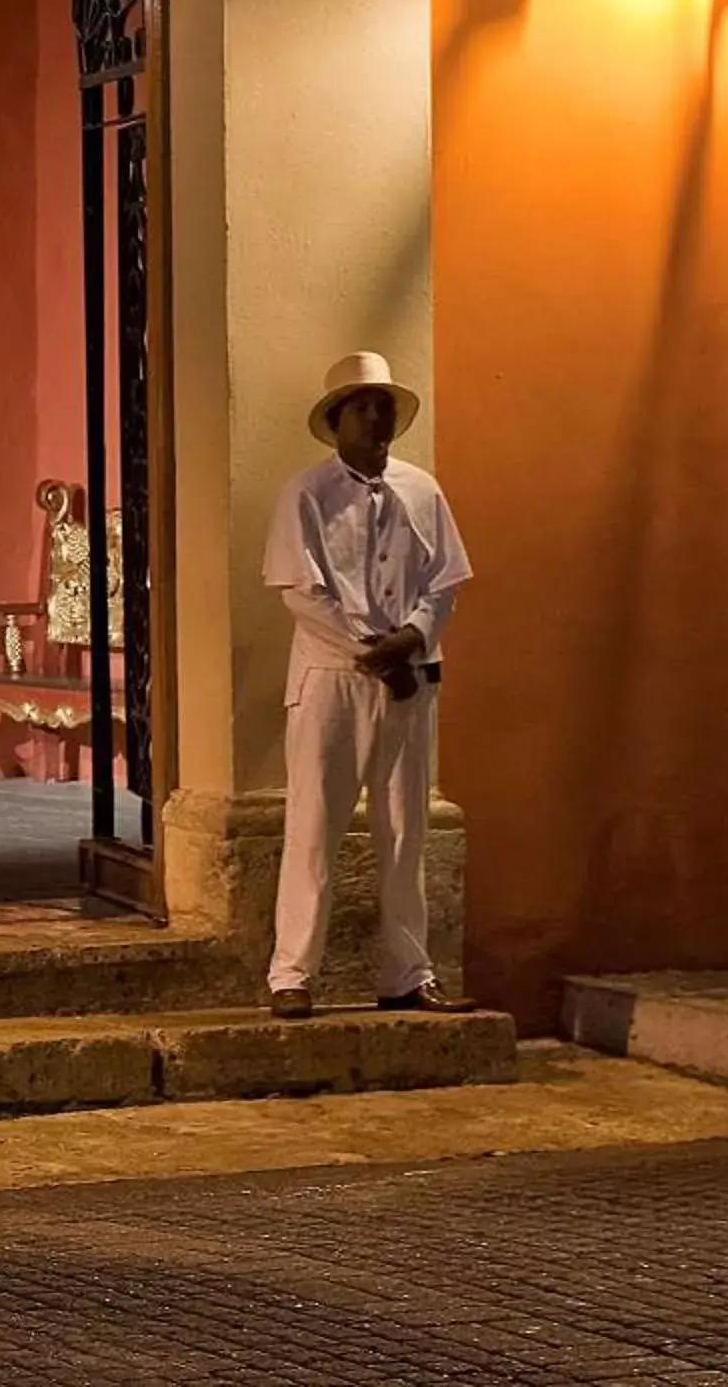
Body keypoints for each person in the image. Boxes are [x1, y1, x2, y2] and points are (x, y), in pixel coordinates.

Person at [262, 351, 473, 1019]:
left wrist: (411, 638)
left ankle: (407, 972)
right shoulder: (307, 494)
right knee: (315, 827)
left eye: (383, 406)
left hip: (408, 678)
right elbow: (302, 592)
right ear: (336, 419)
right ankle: (292, 973)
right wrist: (371, 650)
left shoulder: (423, 491)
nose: (377, 418)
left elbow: (445, 582)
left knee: (407, 830)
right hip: (333, 680)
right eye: (363, 406)